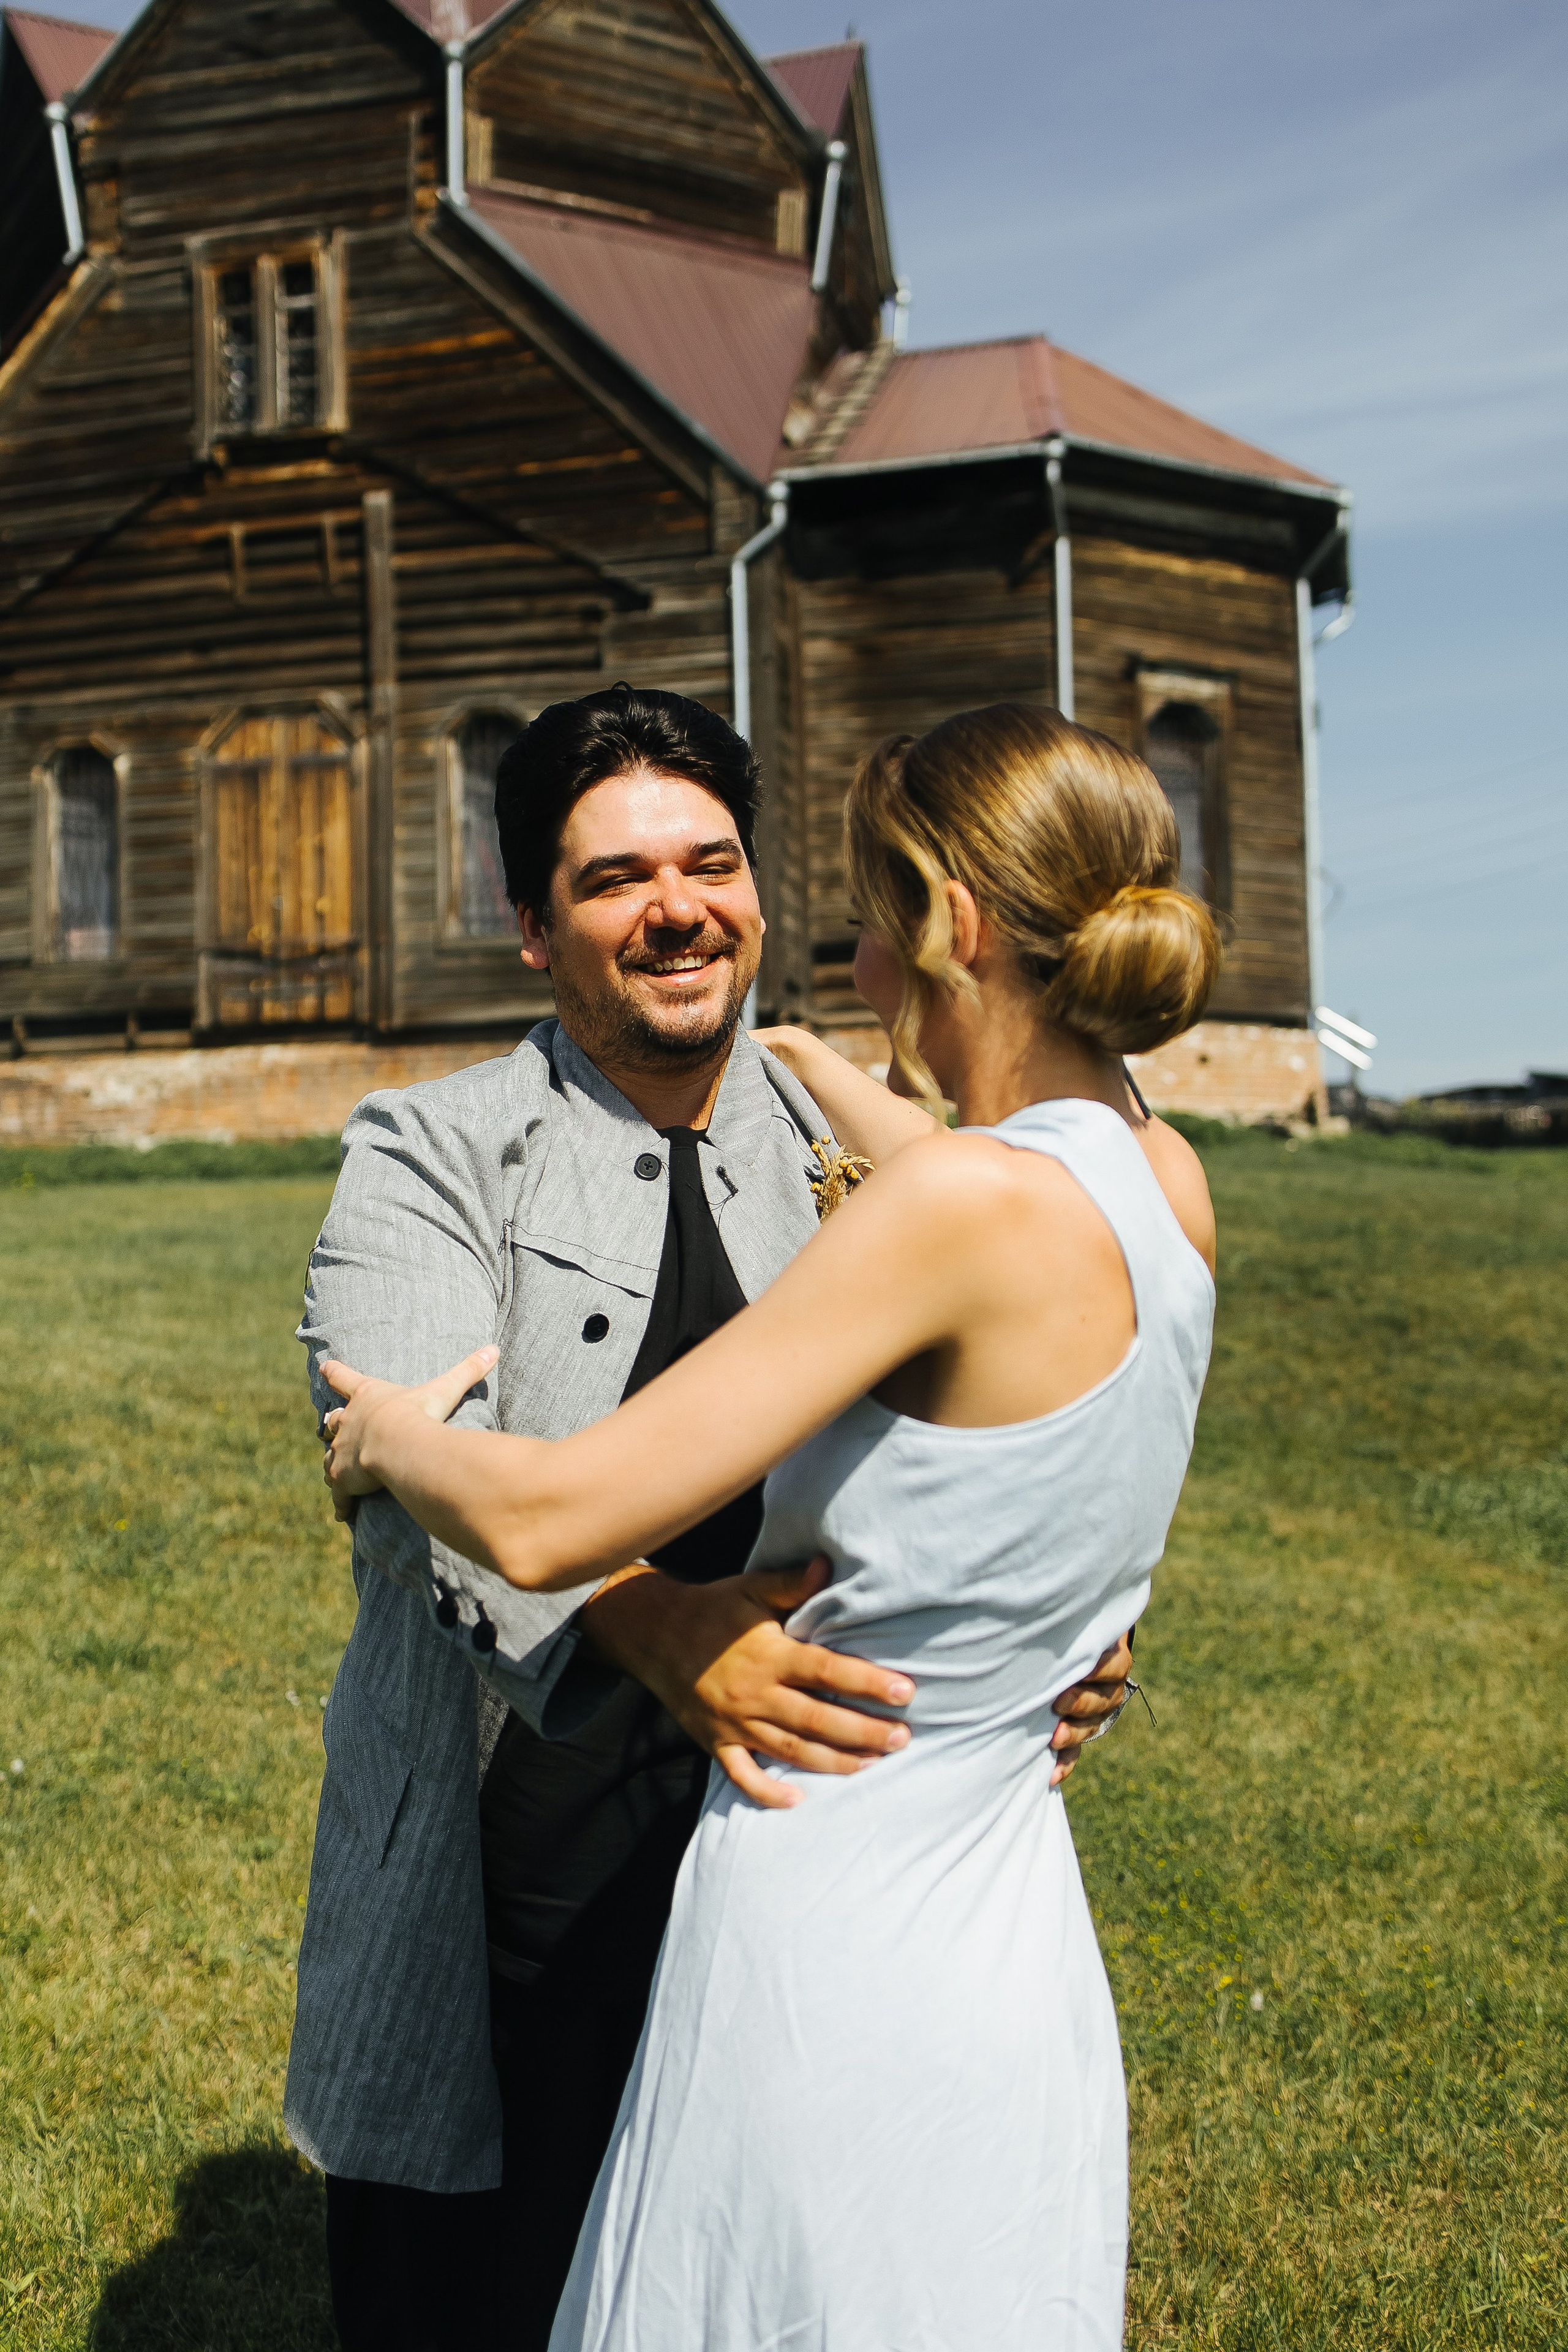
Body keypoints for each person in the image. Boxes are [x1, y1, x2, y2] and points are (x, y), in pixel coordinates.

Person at [320, 699, 1221, 2351]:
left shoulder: (919, 1181)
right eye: (614, 879)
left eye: (719, 865)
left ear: (949, 924)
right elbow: (1054, 1390)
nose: (685, 907)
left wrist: (381, 1436)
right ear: (533, 927)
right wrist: (661, 1621)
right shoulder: (1159, 1174)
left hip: (823, 1864)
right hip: (602, 1840)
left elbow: (542, 1504)